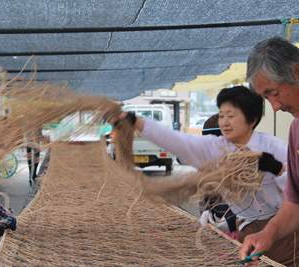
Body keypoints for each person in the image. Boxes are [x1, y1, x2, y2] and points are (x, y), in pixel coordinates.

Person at [115, 86, 290, 265]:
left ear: (251, 120)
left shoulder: (275, 147)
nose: (224, 122)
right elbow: (175, 140)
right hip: (246, 230)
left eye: (231, 116)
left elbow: (295, 189)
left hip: (284, 228)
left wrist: (278, 169)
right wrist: (136, 121)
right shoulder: (214, 148)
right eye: (221, 115)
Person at [239, 37, 299, 266]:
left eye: (273, 93)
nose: (275, 107)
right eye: (266, 98)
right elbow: (295, 201)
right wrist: (268, 233)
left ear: (297, 71)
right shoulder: (296, 130)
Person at [199, 114, 237, 239]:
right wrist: (205, 209)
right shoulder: (210, 163)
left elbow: (259, 204)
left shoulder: (247, 163)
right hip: (223, 233)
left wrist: (231, 219)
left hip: (247, 231)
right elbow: (206, 191)